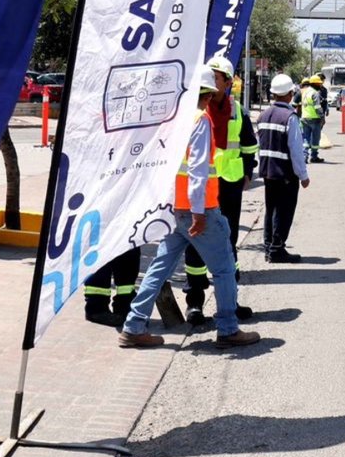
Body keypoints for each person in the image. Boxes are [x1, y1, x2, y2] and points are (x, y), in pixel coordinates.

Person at [120, 64, 260, 349]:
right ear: (208, 96)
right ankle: (228, 329)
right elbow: (197, 170)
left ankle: (133, 326)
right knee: (222, 269)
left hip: (174, 208)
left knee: (160, 268)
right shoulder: (200, 120)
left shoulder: (173, 119)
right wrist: (198, 212)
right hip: (200, 210)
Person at [184, 57, 258, 327]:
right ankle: (194, 303)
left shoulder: (238, 110)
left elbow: (249, 145)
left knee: (228, 244)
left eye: (218, 77)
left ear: (228, 82)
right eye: (210, 76)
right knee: (196, 244)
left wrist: (248, 171)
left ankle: (231, 302)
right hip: (201, 187)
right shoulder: (194, 110)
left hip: (230, 185)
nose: (213, 81)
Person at [257, 74, 310, 264]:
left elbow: (259, 145)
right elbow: (296, 150)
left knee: (270, 209)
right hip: (285, 173)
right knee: (283, 211)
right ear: (289, 94)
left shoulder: (263, 115)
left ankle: (269, 247)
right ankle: (277, 249)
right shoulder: (290, 117)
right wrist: (303, 175)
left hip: (268, 172)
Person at [300, 74, 325, 163]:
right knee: (315, 139)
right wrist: (322, 117)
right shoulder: (315, 93)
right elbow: (317, 107)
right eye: (319, 84)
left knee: (306, 138)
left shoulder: (305, 92)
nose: (320, 85)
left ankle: (304, 157)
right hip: (314, 119)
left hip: (305, 118)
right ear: (315, 84)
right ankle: (314, 157)